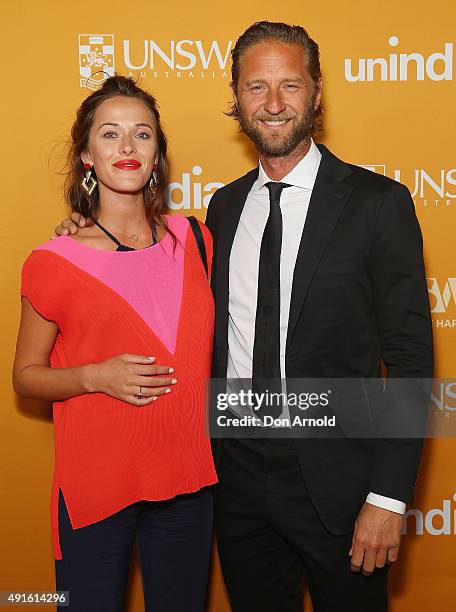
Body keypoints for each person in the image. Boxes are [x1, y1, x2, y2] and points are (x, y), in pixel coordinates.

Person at [55, 21, 434, 612]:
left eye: (291, 85)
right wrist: (86, 236)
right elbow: (145, 270)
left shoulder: (376, 204)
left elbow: (411, 359)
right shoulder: (222, 209)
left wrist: (388, 498)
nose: (275, 104)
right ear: (236, 99)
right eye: (257, 87)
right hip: (234, 484)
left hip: (341, 487)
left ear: (317, 94)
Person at [13, 76, 217, 612]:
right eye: (110, 134)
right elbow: (24, 376)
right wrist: (93, 375)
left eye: (142, 134)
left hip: (187, 483)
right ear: (86, 155)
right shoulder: (54, 259)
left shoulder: (196, 239)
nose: (127, 147)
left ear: (157, 156)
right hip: (97, 486)